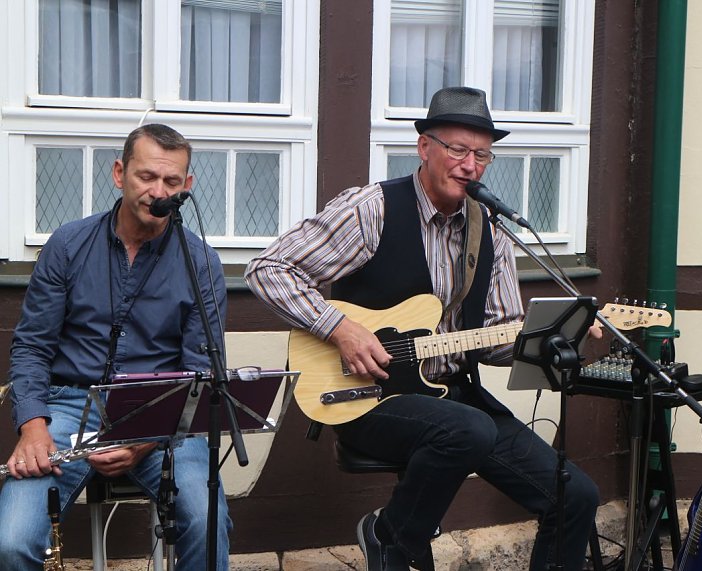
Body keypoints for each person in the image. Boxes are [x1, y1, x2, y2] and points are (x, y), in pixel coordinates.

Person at [245, 86, 599, 570]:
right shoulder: (372, 208)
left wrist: (553, 336)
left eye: (481, 155)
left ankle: (392, 533)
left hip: (455, 396)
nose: (470, 165)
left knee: (575, 495)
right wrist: (340, 328)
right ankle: (392, 535)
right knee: (468, 429)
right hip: (369, 396)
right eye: (457, 150)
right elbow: (269, 269)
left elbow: (495, 339)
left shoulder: (490, 231)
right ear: (424, 147)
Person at [0, 123, 232, 570]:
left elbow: (199, 372)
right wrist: (33, 427)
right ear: (119, 173)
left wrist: (145, 441)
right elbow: (31, 347)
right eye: (147, 176)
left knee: (207, 523)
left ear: (187, 186)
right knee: (10, 541)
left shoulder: (201, 261)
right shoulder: (68, 244)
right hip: (68, 407)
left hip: (160, 414)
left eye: (171, 181)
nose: (158, 192)